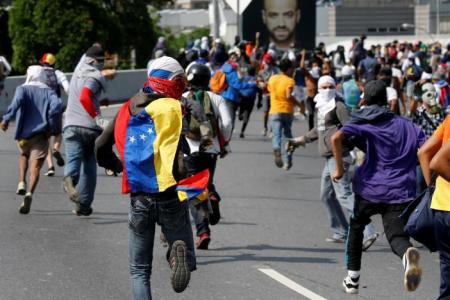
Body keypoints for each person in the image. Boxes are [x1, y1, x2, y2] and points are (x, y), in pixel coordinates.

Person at [95, 56, 196, 299]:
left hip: (139, 196)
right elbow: (188, 149)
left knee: (139, 270)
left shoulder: (126, 109)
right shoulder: (174, 108)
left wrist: (118, 165)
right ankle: (176, 255)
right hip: (170, 193)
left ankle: (175, 254)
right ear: (173, 81)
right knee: (183, 250)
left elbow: (100, 145)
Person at [331, 80, 426, 295]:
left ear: (367, 99)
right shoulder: (408, 125)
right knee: (397, 236)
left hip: (369, 190)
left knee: (356, 228)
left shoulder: (364, 122)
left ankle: (352, 279)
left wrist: (338, 170)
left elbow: (337, 137)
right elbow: (425, 150)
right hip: (401, 191)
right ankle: (407, 256)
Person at [287, 75, 378, 248]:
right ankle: (342, 231)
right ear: (319, 88)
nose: (327, 90)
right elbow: (319, 130)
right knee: (327, 196)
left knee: (344, 195)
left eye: (330, 86)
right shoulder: (321, 106)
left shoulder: (339, 106)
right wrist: (301, 140)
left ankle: (369, 231)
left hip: (339, 156)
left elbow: (352, 128)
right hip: (329, 157)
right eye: (324, 87)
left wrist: (358, 149)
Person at [183, 63, 232, 249]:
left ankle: (203, 231)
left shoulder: (182, 99)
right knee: (206, 182)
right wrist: (224, 142)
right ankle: (212, 195)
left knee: (194, 192)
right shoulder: (216, 98)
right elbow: (226, 123)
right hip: (211, 148)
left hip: (191, 149)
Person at [1, 65, 61, 214]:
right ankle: (29, 193)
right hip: (41, 135)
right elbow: (57, 106)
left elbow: (15, 105)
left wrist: (6, 120)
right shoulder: (50, 92)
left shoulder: (22, 89)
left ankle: (21, 181)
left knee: (24, 155)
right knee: (35, 168)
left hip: (23, 134)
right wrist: (53, 128)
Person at [62, 45, 111, 216]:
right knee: (90, 168)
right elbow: (85, 96)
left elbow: (85, 96)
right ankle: (83, 205)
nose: (103, 65)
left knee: (73, 158)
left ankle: (69, 179)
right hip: (90, 127)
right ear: (95, 61)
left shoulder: (78, 70)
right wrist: (98, 119)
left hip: (70, 125)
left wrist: (98, 103)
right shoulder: (94, 75)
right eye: (102, 62)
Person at [418, 115, 450, 299]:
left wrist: (432, 187)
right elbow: (437, 161)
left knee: (447, 273)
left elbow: (423, 153)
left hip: (440, 207)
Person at [36, 53, 70, 176]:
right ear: (54, 63)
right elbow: (67, 89)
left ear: (42, 62)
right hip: (56, 106)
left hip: (42, 107)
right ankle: (56, 149)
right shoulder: (58, 73)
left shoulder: (37, 72)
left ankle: (50, 167)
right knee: (57, 133)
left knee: (45, 138)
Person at [268, 58, 297, 170]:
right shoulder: (289, 81)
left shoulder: (272, 79)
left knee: (276, 135)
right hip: (287, 111)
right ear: (289, 69)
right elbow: (288, 95)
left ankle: (276, 148)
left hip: (274, 111)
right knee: (288, 136)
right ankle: (288, 160)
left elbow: (269, 89)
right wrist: (300, 105)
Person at [220, 48, 256, 131]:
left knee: (224, 120)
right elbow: (237, 84)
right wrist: (251, 85)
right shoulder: (232, 70)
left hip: (223, 95)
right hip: (231, 97)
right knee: (230, 122)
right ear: (229, 58)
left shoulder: (224, 67)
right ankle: (225, 141)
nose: (234, 59)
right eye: (233, 58)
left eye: (236, 58)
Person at [238, 65, 258, 138]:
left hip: (242, 98)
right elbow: (260, 90)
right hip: (251, 99)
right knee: (247, 115)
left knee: (241, 113)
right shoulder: (256, 80)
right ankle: (242, 131)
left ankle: (241, 115)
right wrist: (259, 102)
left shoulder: (243, 78)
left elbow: (238, 86)